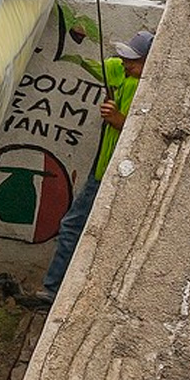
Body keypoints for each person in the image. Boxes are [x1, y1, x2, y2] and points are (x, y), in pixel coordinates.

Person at [39, 30, 153, 302]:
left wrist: (119, 120)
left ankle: (54, 290)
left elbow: (149, 133)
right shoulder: (124, 74)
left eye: (134, 61)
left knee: (73, 226)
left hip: (114, 174)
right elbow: (105, 62)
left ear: (152, 62)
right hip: (102, 168)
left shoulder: (150, 90)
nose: (126, 64)